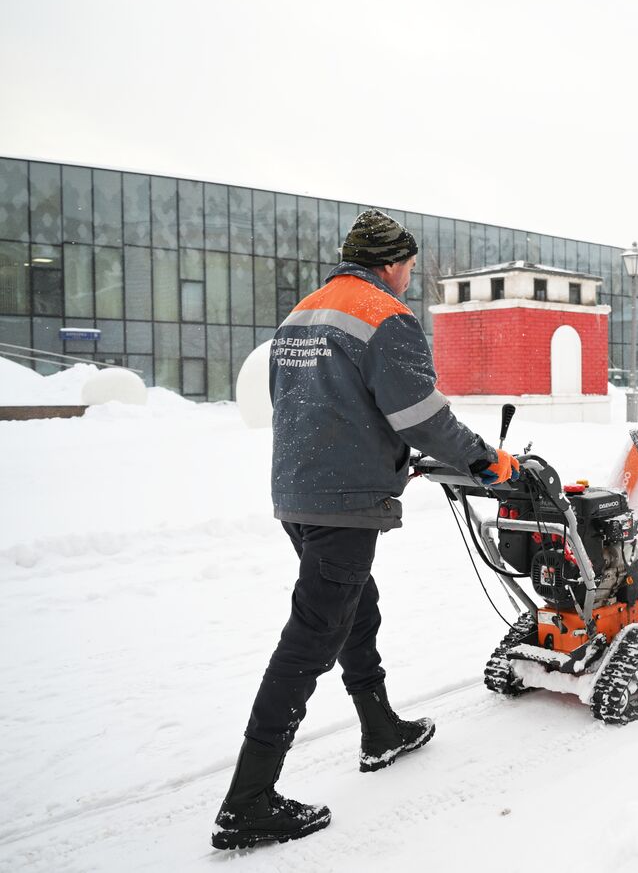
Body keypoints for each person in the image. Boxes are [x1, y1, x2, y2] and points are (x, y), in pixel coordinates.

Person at [212, 210, 519, 850]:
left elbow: (307, 400)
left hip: (296, 494)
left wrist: (382, 457)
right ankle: (248, 800)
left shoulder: (305, 313)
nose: (410, 276)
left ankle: (380, 729)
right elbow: (422, 415)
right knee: (311, 639)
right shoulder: (385, 316)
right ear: (390, 263)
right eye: (409, 265)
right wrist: (484, 460)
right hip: (340, 501)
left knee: (356, 607)